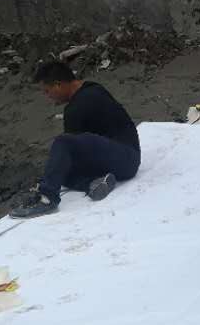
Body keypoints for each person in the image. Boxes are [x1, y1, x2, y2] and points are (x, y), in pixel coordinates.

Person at [10, 62, 141, 218]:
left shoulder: (76, 108)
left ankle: (47, 198)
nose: (48, 97)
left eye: (47, 91)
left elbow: (70, 149)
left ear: (58, 85)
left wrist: (53, 172)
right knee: (59, 171)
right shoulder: (93, 88)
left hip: (124, 158)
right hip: (126, 158)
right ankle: (97, 182)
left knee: (62, 144)